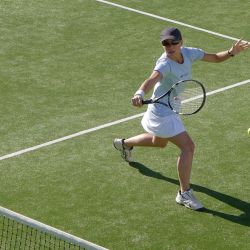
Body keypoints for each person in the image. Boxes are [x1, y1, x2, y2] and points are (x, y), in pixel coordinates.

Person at [113, 27, 249, 211]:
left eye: (173, 42)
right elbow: (151, 79)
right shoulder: (164, 63)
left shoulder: (189, 53)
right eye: (165, 43)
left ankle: (124, 143)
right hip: (162, 113)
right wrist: (139, 92)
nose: (169, 46)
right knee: (188, 147)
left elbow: (216, 57)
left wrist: (232, 52)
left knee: (159, 142)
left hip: (170, 107)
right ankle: (184, 193)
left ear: (181, 42)